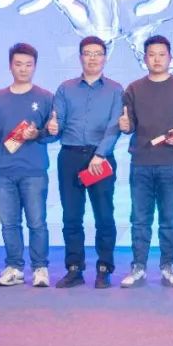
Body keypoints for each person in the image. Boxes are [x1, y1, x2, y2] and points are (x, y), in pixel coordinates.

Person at [47, 36, 124, 290]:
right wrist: (52, 128)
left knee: (104, 215)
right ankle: (74, 268)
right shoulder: (65, 88)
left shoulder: (115, 89)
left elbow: (115, 126)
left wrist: (100, 155)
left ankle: (104, 268)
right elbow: (57, 125)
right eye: (87, 53)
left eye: (97, 53)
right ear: (80, 57)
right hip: (70, 156)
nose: (92, 58)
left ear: (105, 58)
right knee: (71, 216)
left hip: (101, 157)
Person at [0, 43, 55, 288]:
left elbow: (53, 133)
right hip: (5, 170)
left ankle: (40, 268)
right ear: (10, 66)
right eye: (18, 64)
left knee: (37, 222)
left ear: (35, 67)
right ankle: (14, 268)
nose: (23, 69)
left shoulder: (45, 97)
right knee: (9, 223)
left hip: (34, 170)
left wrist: (39, 133)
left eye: (28, 65)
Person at [117, 35, 173, 288]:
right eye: (151, 54)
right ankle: (138, 267)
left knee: (169, 219)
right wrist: (125, 126)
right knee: (139, 219)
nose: (157, 59)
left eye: (162, 54)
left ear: (170, 57)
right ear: (145, 58)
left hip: (171, 162)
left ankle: (168, 265)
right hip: (141, 162)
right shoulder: (134, 89)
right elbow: (130, 124)